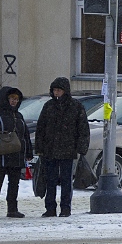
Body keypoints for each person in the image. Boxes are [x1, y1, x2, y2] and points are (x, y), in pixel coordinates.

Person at [33, 77, 91, 217]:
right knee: (50, 181)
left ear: (65, 91)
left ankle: (66, 208)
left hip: (67, 150)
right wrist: (39, 148)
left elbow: (83, 129)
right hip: (50, 150)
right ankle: (50, 208)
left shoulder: (75, 106)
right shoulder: (49, 106)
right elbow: (41, 128)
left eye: (59, 90)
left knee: (66, 181)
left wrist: (81, 148)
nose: (56, 92)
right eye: (54, 90)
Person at [0, 86, 34, 219]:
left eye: (16, 99)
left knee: (14, 183)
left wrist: (28, 153)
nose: (14, 101)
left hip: (16, 155)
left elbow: (25, 135)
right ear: (5, 98)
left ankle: (12, 209)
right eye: (11, 98)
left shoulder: (19, 115)